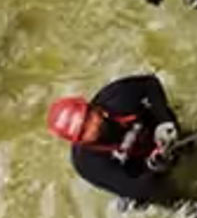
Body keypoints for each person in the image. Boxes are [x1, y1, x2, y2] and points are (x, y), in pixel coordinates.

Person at [47, 75, 187, 205]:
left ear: (92, 108)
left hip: (157, 133)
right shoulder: (87, 163)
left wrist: (165, 121)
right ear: (79, 141)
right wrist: (155, 168)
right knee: (170, 197)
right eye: (84, 131)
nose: (93, 127)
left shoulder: (116, 97)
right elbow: (136, 189)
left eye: (89, 118)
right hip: (141, 171)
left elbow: (150, 84)